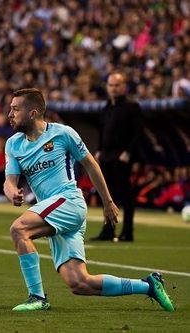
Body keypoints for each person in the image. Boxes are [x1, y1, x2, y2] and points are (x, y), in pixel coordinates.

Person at [4, 88, 173, 312]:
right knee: (80, 283)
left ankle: (37, 297)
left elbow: (90, 164)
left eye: (15, 109)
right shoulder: (13, 144)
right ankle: (148, 285)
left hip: (68, 201)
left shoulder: (63, 134)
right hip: (53, 213)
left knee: (19, 229)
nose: (10, 114)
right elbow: (9, 181)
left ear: (33, 112)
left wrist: (108, 202)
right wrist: (12, 191)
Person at [90, 72, 142, 242]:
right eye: (111, 85)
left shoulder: (132, 107)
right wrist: (99, 150)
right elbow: (102, 132)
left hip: (121, 157)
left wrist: (128, 152)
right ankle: (108, 231)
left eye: (117, 85)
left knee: (125, 195)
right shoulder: (106, 108)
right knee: (108, 196)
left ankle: (128, 232)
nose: (113, 88)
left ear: (124, 87)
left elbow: (138, 133)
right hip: (106, 156)